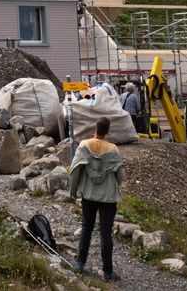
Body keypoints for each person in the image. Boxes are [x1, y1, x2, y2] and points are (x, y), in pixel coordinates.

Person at [68, 116, 125, 280]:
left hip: (89, 195)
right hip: (108, 197)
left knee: (86, 227)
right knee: (105, 232)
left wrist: (73, 191)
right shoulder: (113, 148)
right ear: (107, 131)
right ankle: (108, 272)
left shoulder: (84, 145)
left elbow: (75, 171)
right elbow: (120, 176)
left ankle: (80, 263)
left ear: (95, 128)